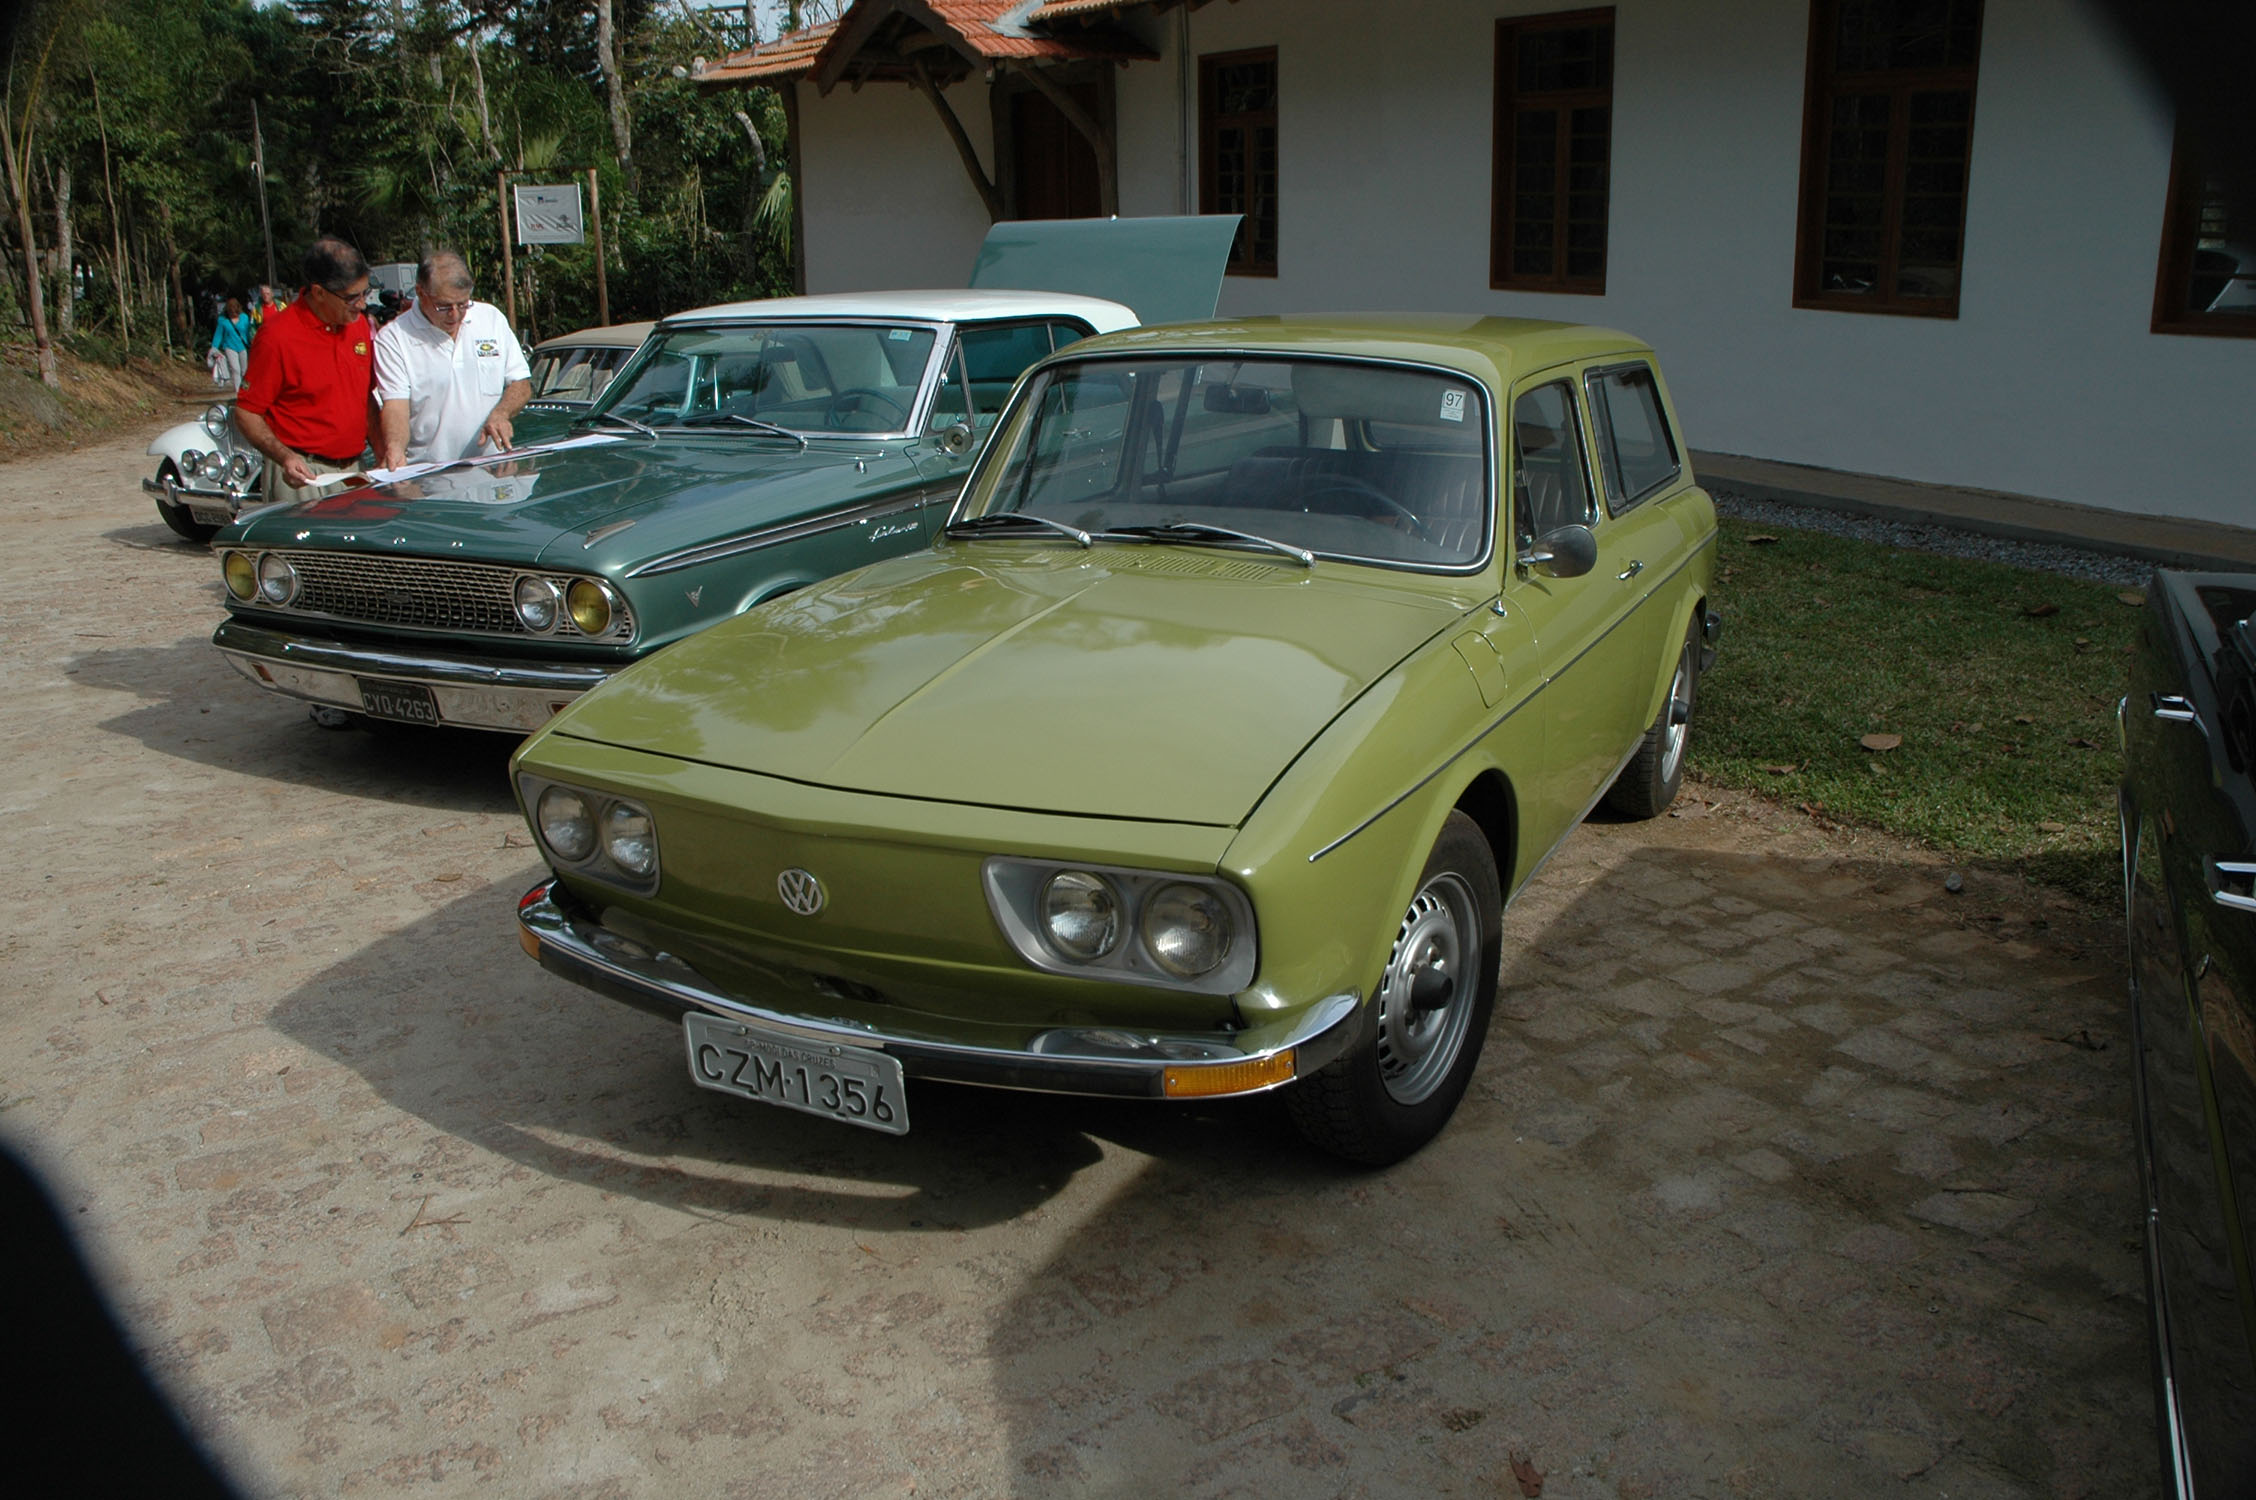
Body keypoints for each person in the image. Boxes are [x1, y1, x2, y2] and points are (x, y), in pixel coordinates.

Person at [232, 237, 379, 507]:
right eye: (351, 297)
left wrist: (383, 456)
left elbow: (366, 399)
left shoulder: (358, 327)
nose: (361, 304)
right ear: (319, 292)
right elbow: (247, 412)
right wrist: (285, 457)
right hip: (302, 477)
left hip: (354, 470)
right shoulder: (277, 336)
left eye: (365, 293)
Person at [372, 250, 531, 469]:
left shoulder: (491, 318)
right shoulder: (394, 338)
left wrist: (502, 413)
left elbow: (521, 383)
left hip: (493, 469)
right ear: (420, 292)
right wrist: (395, 448)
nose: (455, 315)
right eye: (444, 306)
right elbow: (396, 405)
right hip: (430, 473)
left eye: (463, 304)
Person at [207, 296, 254, 389]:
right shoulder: (223, 321)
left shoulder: (244, 318)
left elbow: (249, 331)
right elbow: (218, 335)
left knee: (244, 370)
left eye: (235, 311)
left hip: (243, 346)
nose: (233, 313)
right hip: (230, 347)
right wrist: (214, 348)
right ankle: (238, 392)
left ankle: (246, 390)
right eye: (231, 312)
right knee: (235, 370)